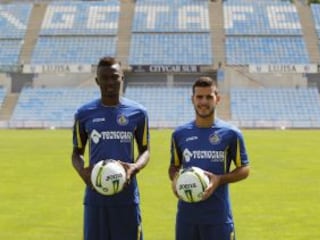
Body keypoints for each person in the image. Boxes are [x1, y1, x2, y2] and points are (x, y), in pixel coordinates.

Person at [71, 56, 150, 240]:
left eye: (114, 77)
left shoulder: (138, 113)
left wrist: (134, 167)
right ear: (97, 81)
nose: (109, 82)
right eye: (104, 78)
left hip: (127, 198)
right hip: (95, 198)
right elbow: (76, 153)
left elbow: (145, 150)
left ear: (122, 78)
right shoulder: (84, 114)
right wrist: (82, 171)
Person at [168, 76, 250, 240]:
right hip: (186, 218)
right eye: (199, 97)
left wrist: (219, 179)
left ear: (217, 99)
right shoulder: (179, 134)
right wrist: (176, 180)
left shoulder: (231, 134)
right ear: (192, 99)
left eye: (209, 97)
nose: (203, 102)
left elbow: (244, 169)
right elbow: (174, 167)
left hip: (218, 218)